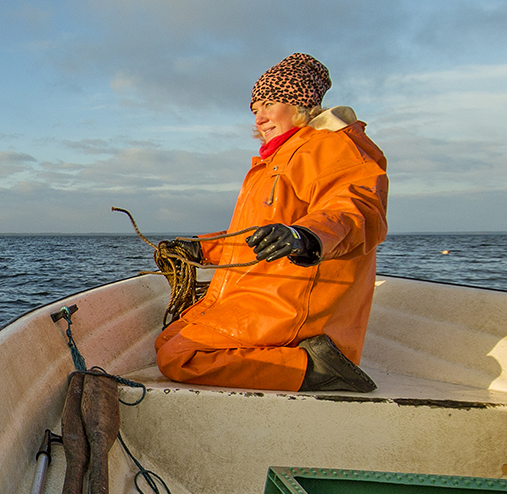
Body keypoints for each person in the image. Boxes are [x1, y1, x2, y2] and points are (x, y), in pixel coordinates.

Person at [154, 53, 388, 392]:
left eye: (269, 103)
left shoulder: (334, 147)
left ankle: (316, 365)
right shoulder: (276, 160)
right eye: (255, 109)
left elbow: (357, 209)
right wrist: (200, 248)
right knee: (169, 340)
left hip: (294, 304)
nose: (260, 117)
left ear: (301, 104)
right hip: (260, 294)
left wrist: (306, 237)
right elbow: (257, 233)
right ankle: (298, 359)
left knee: (179, 357)